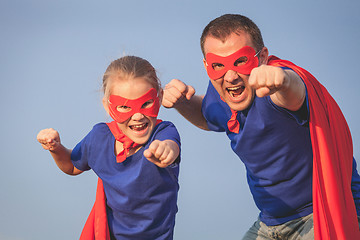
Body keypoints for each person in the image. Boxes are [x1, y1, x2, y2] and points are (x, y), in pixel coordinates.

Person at [162, 14, 360, 239]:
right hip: (270, 223)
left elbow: (296, 93)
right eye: (218, 65)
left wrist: (282, 80)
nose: (231, 77)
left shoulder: (274, 90)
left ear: (262, 57)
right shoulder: (221, 95)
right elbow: (208, 117)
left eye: (240, 61)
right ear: (207, 65)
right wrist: (182, 103)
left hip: (319, 213)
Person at [37, 56, 181, 240]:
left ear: (159, 97)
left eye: (146, 103)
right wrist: (55, 148)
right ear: (108, 106)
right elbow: (72, 166)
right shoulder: (99, 137)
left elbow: (171, 145)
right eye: (124, 107)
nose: (137, 116)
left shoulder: (163, 132)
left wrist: (165, 149)